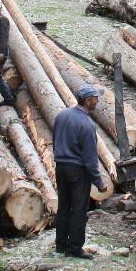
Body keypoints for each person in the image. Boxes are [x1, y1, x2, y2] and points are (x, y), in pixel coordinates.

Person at [53, 84, 109, 258]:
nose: (97, 101)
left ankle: (60, 246)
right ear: (87, 100)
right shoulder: (87, 124)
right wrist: (99, 182)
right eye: (95, 98)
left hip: (60, 166)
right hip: (77, 170)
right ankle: (75, 248)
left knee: (63, 206)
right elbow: (90, 158)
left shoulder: (61, 115)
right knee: (78, 209)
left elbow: (55, 139)